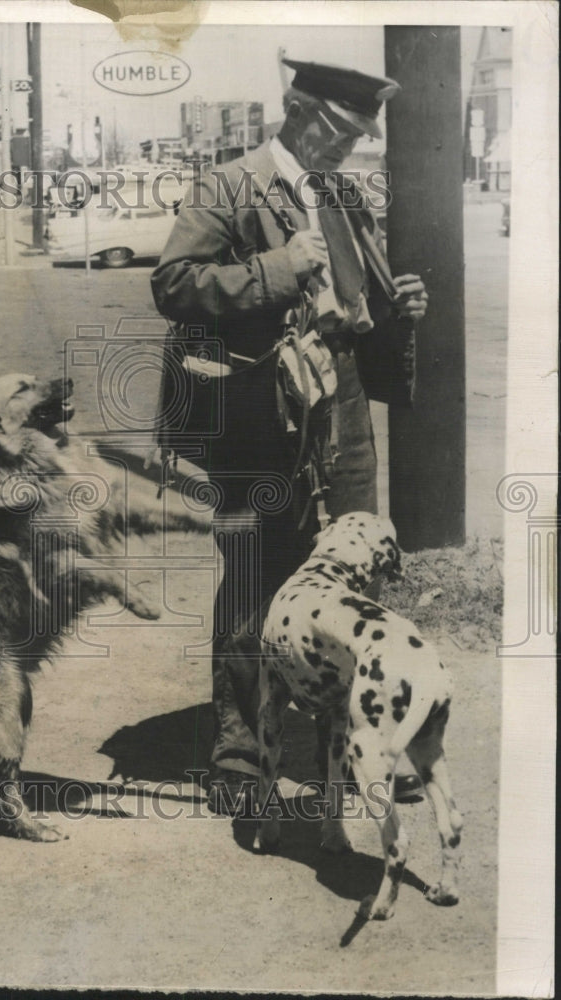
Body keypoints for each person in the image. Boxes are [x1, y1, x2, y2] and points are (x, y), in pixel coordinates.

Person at [150, 59, 428, 814]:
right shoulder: (228, 186)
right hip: (259, 417)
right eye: (343, 129)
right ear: (297, 110)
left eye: (363, 133)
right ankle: (241, 758)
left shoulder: (344, 196)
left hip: (341, 414)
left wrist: (398, 306)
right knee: (255, 578)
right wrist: (273, 269)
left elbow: (354, 305)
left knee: (350, 578)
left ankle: (362, 744)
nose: (353, 144)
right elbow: (172, 284)